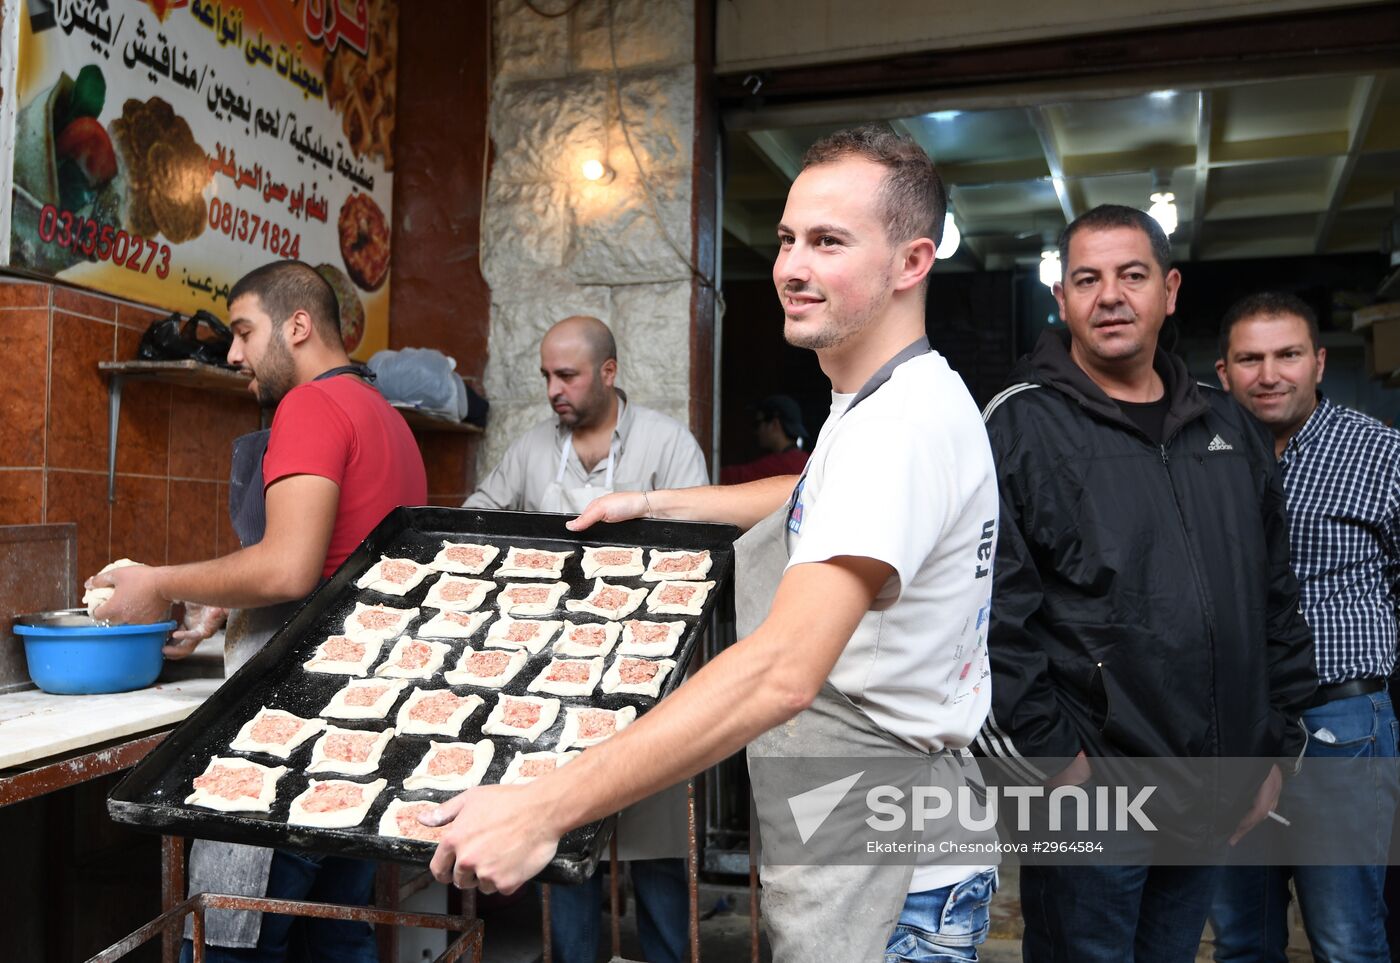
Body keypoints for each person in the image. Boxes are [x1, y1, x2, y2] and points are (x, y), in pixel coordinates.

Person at [427, 124, 1002, 962]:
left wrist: (545, 805)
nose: (792, 268)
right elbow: (809, 495)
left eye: (829, 242)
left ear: (912, 262)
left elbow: (782, 671)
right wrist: (654, 503)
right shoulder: (884, 399)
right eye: (787, 239)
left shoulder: (899, 431)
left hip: (896, 870)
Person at [974, 206, 1317, 962]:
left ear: (1169, 289)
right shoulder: (1018, 426)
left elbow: (1276, 603)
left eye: (1132, 275)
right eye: (1086, 279)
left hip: (1208, 788)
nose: (1110, 296)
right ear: (1060, 299)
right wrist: (1052, 767)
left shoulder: (1229, 428)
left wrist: (1274, 753)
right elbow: (990, 618)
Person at [89, 259, 428, 963]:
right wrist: (223, 603)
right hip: (366, 724)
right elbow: (339, 566)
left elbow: (288, 565)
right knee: (336, 935)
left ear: (298, 325)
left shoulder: (310, 405)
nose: (234, 351)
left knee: (233, 940)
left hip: (295, 729)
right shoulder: (387, 418)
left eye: (244, 331)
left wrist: (158, 581)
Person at [465, 314, 708, 963]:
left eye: (566, 374)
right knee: (563, 841)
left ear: (607, 371)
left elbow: (705, 548)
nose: (553, 389)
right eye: (546, 375)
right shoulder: (532, 449)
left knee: (657, 850)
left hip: (651, 680)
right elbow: (474, 521)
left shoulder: (668, 445)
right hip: (556, 682)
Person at [1210, 291, 1400, 962]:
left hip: (1342, 724)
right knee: (1240, 938)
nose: (1270, 374)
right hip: (1231, 730)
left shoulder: (1379, 453)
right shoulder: (1205, 459)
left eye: (1288, 354)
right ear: (1223, 370)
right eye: (1250, 358)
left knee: (1346, 936)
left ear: (1318, 361)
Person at [720, 394, 810, 484]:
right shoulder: (807, 460)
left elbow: (728, 476)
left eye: (757, 424)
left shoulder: (782, 464)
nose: (756, 432)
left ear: (775, 424)